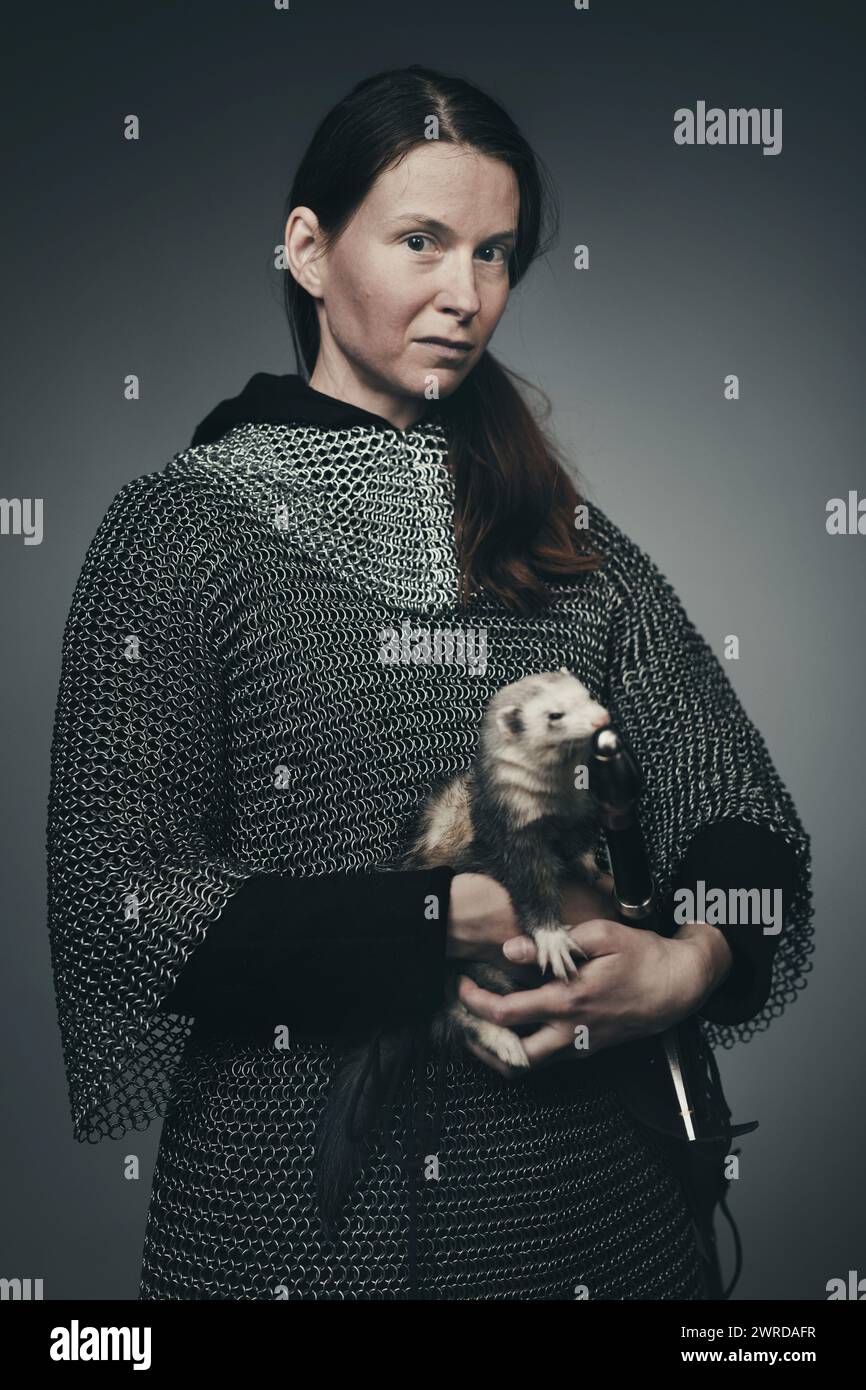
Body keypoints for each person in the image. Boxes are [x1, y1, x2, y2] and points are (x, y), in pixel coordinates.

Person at [46, 64, 813, 1301]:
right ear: (306, 248)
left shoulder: (561, 536)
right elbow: (119, 898)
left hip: (595, 1218)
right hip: (305, 1224)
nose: (464, 295)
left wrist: (693, 965)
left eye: (495, 255)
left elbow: (742, 816)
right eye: (420, 241)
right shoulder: (182, 534)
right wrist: (432, 918)